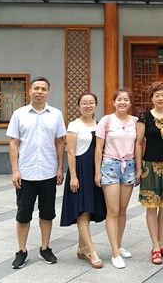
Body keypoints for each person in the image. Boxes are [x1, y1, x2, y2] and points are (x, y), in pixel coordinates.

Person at [6, 77, 67, 269]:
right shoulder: (19, 114)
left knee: (47, 214)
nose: (40, 92)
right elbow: (14, 143)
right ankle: (21, 251)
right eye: (37, 88)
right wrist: (15, 170)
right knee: (23, 214)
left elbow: (60, 142)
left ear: (48, 92)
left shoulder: (56, 114)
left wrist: (60, 168)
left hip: (48, 172)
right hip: (26, 173)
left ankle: (45, 248)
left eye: (44, 89)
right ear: (30, 90)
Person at [135, 82, 163, 265]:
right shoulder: (144, 117)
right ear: (151, 98)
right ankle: (155, 246)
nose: (160, 98)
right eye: (157, 95)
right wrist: (139, 168)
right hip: (150, 166)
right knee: (151, 207)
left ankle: (162, 243)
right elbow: (138, 143)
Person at [60, 92, 106, 269]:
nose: (88, 106)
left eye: (91, 103)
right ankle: (91, 251)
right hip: (80, 170)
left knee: (88, 209)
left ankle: (82, 248)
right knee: (82, 210)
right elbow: (70, 152)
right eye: (84, 103)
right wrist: (73, 176)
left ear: (96, 105)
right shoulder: (74, 125)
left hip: (95, 170)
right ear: (79, 105)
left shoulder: (100, 124)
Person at [95, 88, 139, 269]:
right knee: (112, 211)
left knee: (122, 210)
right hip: (110, 165)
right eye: (119, 99)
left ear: (130, 103)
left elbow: (138, 145)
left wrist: (138, 169)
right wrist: (97, 172)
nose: (122, 102)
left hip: (128, 166)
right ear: (114, 102)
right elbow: (99, 148)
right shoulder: (106, 120)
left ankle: (119, 245)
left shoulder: (135, 121)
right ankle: (114, 252)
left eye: (126, 99)